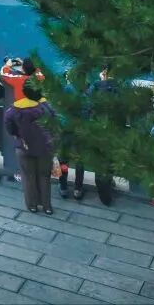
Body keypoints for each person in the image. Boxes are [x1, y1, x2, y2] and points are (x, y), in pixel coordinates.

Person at [59, 66, 118, 205]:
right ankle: (78, 189)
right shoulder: (90, 90)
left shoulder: (68, 88)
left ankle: (63, 187)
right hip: (82, 129)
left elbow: (60, 104)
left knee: (63, 158)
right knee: (80, 160)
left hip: (66, 127)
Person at [4, 80, 56, 215]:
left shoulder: (14, 109)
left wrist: (18, 135)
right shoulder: (45, 107)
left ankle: (32, 205)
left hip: (24, 146)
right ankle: (47, 206)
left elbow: (9, 128)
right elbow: (54, 122)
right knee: (44, 176)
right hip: (44, 147)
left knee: (28, 176)